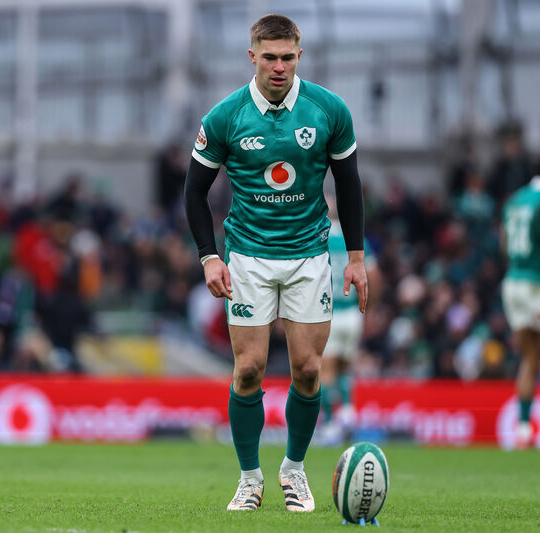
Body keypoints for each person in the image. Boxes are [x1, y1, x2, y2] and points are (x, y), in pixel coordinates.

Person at [184, 14, 367, 512]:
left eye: (288, 57)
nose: (279, 66)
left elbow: (349, 184)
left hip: (309, 256)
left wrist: (355, 257)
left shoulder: (328, 110)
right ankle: (249, 479)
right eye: (270, 57)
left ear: (299, 55)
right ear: (252, 57)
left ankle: (294, 471)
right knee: (249, 370)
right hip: (248, 258)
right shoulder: (225, 117)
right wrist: (209, 257)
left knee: (307, 369)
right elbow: (194, 191)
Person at [319, 197, 379, 446]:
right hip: (353, 311)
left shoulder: (317, 236)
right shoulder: (354, 238)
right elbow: (374, 274)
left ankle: (330, 424)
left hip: (328, 311)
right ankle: (347, 412)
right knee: (344, 367)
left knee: (325, 370)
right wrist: (370, 308)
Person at [501, 164, 540, 450]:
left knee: (530, 357)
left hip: (513, 282)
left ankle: (524, 429)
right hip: (535, 284)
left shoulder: (515, 200)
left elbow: (504, 243)